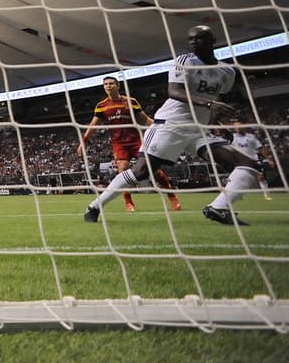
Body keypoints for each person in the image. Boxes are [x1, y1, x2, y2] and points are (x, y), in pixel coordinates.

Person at [83, 26, 261, 226]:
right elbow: (174, 91)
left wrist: (214, 119)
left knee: (248, 163)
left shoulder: (226, 71)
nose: (193, 42)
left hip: (198, 130)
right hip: (170, 125)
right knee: (141, 172)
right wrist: (209, 104)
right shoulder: (184, 61)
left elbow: (215, 98)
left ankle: (218, 208)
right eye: (191, 39)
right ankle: (94, 206)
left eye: (199, 38)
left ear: (212, 40)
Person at [78, 76, 182, 213]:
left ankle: (172, 197)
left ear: (118, 86)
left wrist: (162, 128)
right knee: (123, 169)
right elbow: (93, 125)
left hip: (137, 141)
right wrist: (83, 142)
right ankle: (129, 203)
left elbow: (144, 119)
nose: (108, 86)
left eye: (111, 83)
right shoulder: (101, 106)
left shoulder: (130, 101)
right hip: (119, 143)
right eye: (106, 84)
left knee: (152, 171)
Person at [229, 120, 274, 201]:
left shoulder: (251, 137)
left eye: (240, 126)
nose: (238, 128)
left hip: (253, 161)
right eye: (236, 126)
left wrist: (269, 159)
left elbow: (260, 148)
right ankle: (237, 194)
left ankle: (266, 195)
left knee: (261, 177)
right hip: (240, 162)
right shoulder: (232, 137)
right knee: (235, 179)